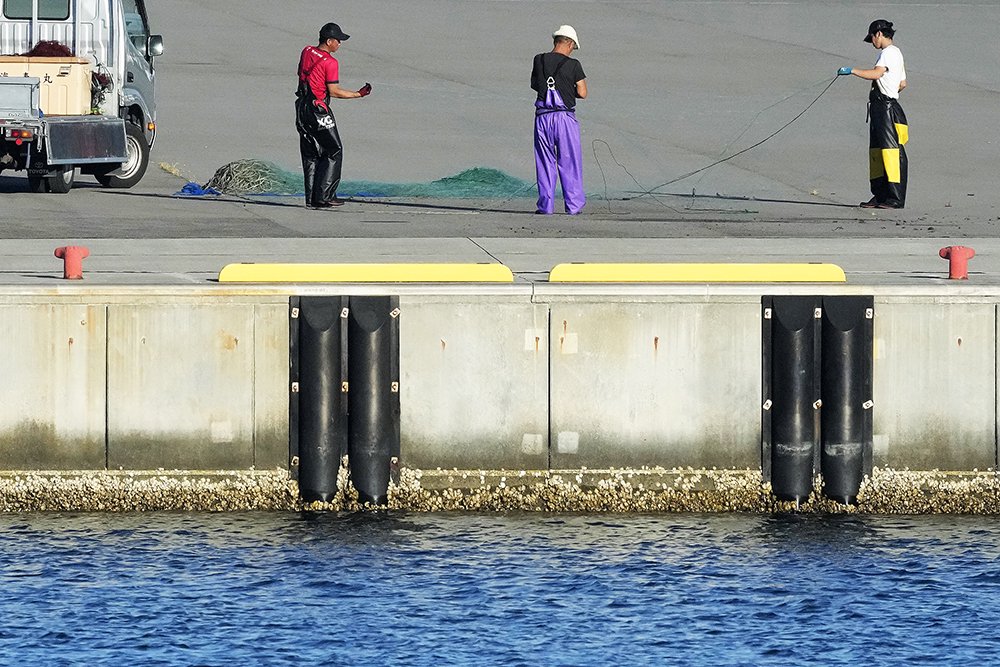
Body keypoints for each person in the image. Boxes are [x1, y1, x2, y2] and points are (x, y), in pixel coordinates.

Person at [295, 22, 372, 209]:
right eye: (338, 40)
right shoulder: (330, 62)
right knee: (333, 150)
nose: (339, 44)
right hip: (318, 110)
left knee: (311, 153)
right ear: (329, 41)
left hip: (301, 107)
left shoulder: (306, 51)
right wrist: (358, 94)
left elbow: (301, 72)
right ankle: (325, 196)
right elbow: (335, 91)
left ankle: (312, 198)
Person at [838, 19, 908, 209]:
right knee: (877, 152)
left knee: (891, 153)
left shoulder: (888, 53)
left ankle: (894, 198)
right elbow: (902, 83)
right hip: (883, 107)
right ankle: (880, 196)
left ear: (878, 34)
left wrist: (852, 71)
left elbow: (876, 74)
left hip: (886, 108)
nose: (873, 44)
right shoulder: (897, 54)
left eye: (872, 39)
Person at [531, 25, 587, 215]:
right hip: (564, 119)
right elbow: (583, 92)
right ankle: (573, 206)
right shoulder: (574, 65)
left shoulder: (539, 60)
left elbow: (535, 85)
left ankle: (545, 206)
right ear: (569, 43)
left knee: (544, 162)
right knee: (569, 161)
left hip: (543, 118)